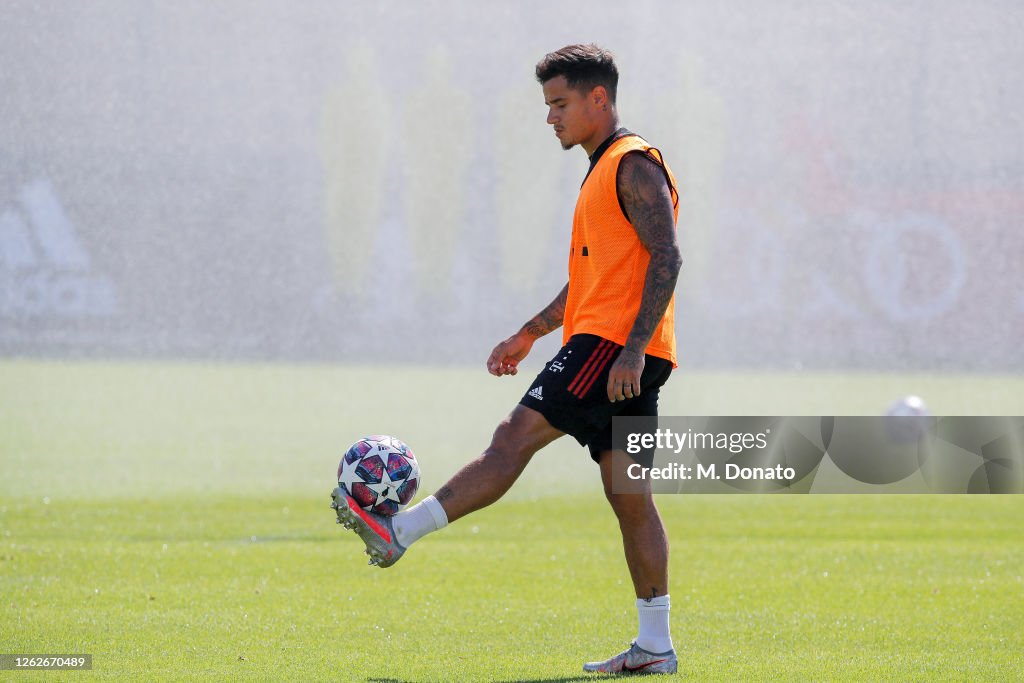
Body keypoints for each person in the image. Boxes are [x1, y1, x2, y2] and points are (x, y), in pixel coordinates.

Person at [332, 43, 683, 676]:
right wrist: (531, 332)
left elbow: (669, 257)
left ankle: (398, 533)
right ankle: (655, 646)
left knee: (510, 441)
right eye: (548, 105)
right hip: (626, 349)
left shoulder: (631, 164)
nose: (550, 117)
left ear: (598, 99)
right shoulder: (602, 168)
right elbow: (594, 280)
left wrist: (628, 351)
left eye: (560, 104)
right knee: (630, 497)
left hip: (611, 349)